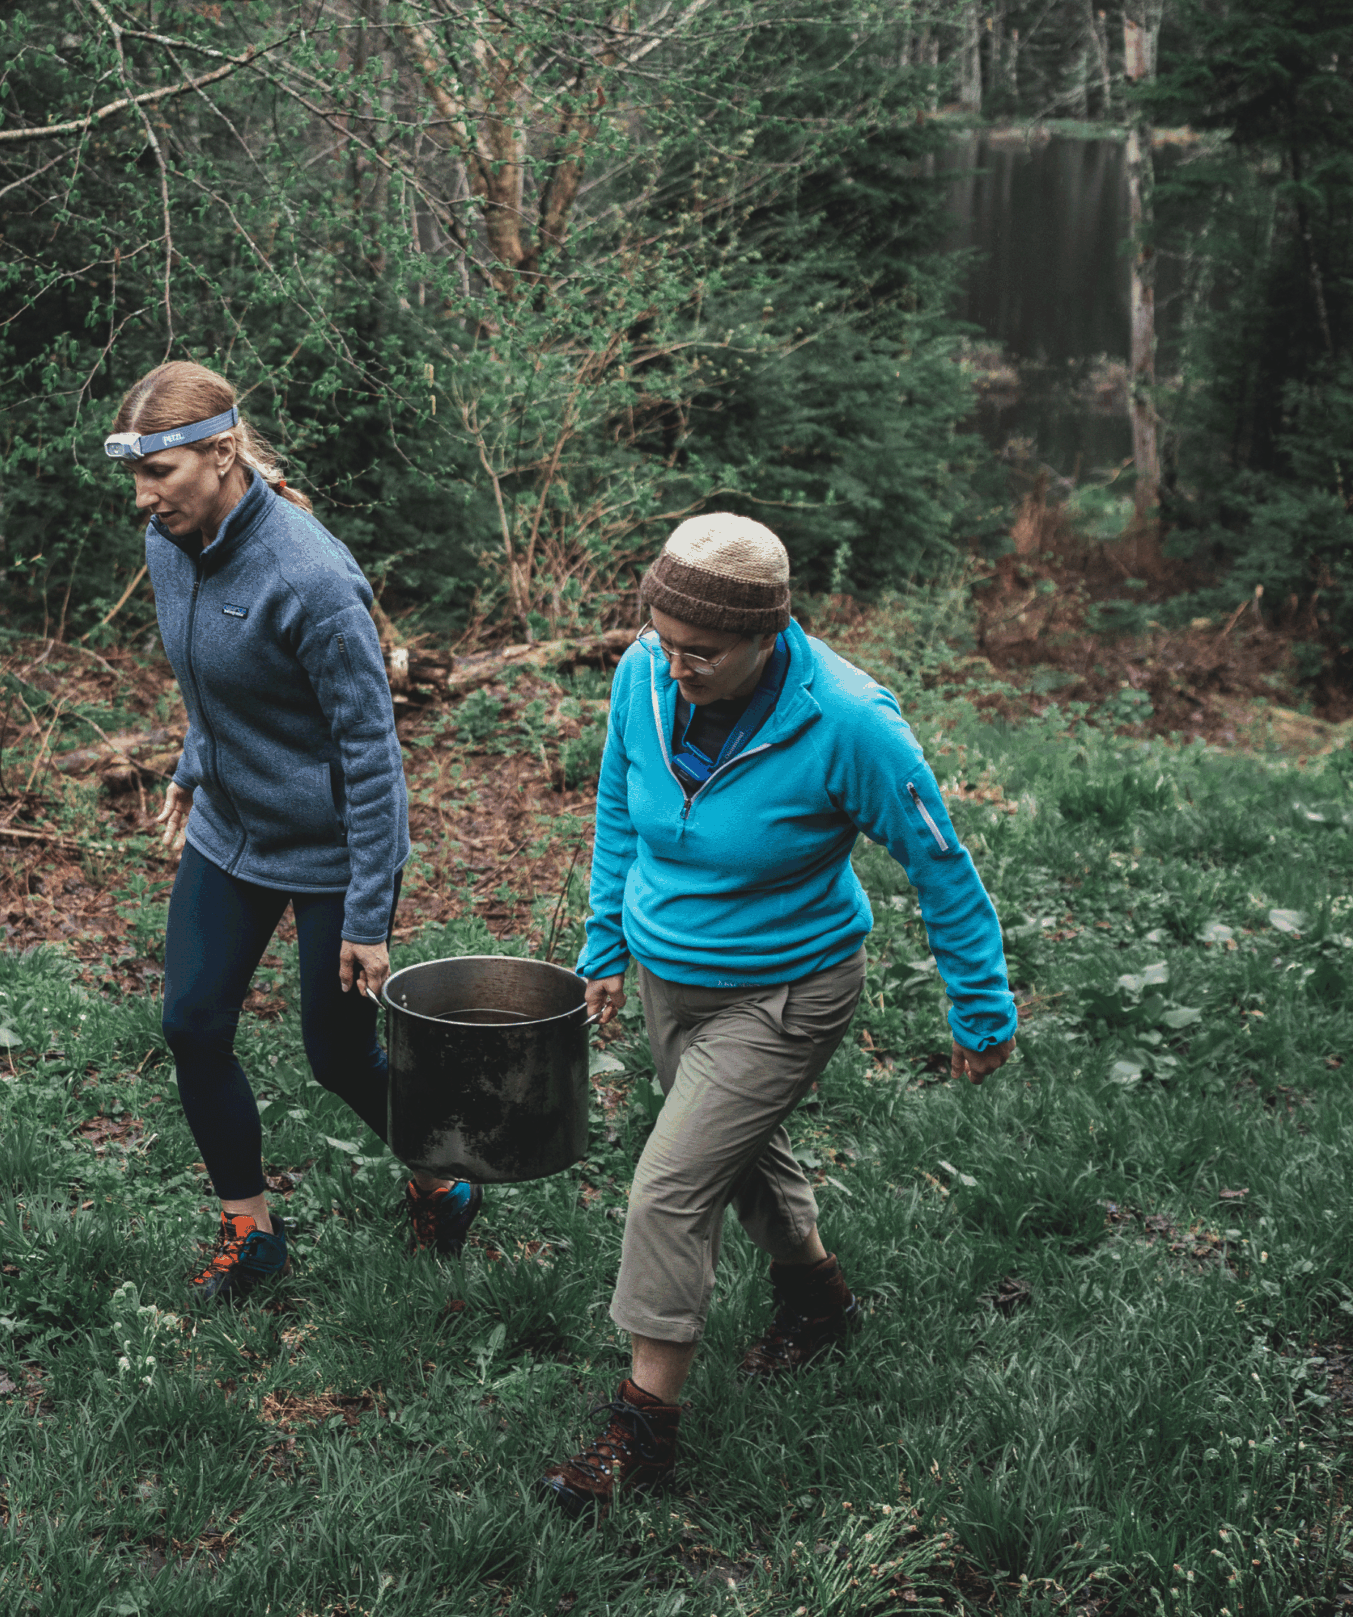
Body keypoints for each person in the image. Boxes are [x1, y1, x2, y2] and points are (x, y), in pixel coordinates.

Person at [539, 512, 1018, 1518]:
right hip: (674, 975)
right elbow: (619, 808)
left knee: (670, 1185)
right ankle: (818, 1296)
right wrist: (603, 943)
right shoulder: (643, 673)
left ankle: (642, 1427)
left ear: (767, 635)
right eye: (663, 644)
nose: (676, 670)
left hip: (787, 988)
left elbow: (940, 865)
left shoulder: (848, 721)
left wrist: (980, 1009)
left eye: (701, 652)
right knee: (735, 1151)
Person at [108, 361, 479, 1303]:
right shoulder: (170, 544)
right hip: (234, 829)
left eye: (164, 474)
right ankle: (251, 1230)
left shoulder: (311, 580)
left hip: (332, 850)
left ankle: (443, 1182)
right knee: (191, 1023)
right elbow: (210, 681)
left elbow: (371, 754)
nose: (147, 499)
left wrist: (367, 915)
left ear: (223, 452)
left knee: (337, 1051)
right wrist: (197, 768)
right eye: (138, 477)